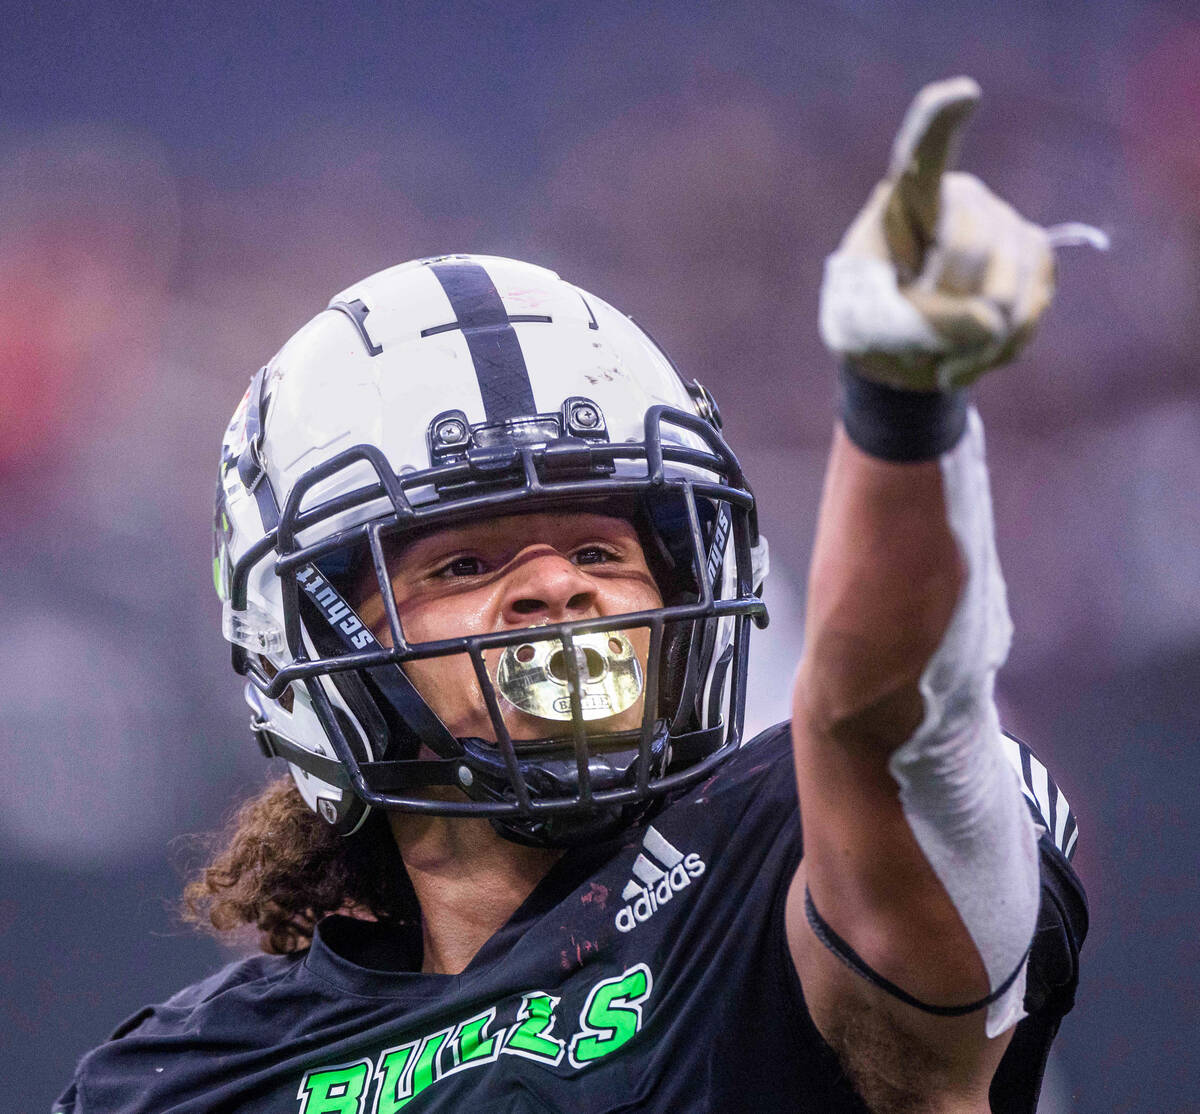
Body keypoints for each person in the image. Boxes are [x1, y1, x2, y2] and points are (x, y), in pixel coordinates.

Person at [57, 78, 1087, 1114]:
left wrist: (899, 413)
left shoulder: (772, 863)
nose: (555, 585)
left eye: (601, 548)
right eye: (464, 564)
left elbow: (885, 726)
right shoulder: (187, 1079)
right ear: (303, 643)